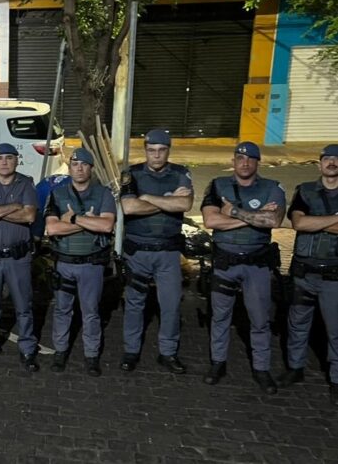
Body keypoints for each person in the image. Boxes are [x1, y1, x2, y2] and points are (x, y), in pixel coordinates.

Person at [201, 141, 285, 394]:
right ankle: (218, 363)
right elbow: (210, 220)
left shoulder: (272, 187)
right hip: (225, 262)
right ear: (233, 161)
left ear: (258, 162)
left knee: (260, 319)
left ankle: (261, 368)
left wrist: (234, 212)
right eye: (240, 158)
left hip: (256, 264)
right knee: (220, 317)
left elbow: (274, 219)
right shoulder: (218, 185)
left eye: (250, 159)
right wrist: (254, 220)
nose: (245, 163)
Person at [119, 129, 193, 373]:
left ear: (168, 150)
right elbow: (128, 207)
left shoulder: (180, 173)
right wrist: (167, 201)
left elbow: (185, 204)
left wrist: (148, 197)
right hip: (137, 251)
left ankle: (168, 353)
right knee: (134, 303)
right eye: (151, 150)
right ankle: (131, 351)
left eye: (161, 150)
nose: (156, 155)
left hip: (168, 252)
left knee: (170, 305)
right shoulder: (132, 174)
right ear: (145, 150)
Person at [44, 148, 115, 376]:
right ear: (70, 167)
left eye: (84, 164)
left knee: (91, 311)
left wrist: (73, 218)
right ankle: (60, 351)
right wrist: (87, 222)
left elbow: (106, 226)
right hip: (64, 262)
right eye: (75, 164)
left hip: (91, 263)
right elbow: (52, 228)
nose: (79, 168)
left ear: (91, 168)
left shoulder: (103, 194)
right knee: (62, 310)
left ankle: (91, 355)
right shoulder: (57, 194)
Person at [277, 144, 338, 405]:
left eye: (337, 159)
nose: (332, 163)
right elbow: (299, 223)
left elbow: (308, 222)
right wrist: (333, 219)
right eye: (327, 159)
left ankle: (336, 379)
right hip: (303, 272)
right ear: (319, 163)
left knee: (335, 330)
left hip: (333, 275)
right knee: (297, 324)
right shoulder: (305, 191)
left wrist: (316, 221)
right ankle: (295, 368)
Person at [0, 143, 40, 372]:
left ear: (17, 160)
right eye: (0, 158)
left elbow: (30, 216)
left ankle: (28, 350)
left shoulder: (26, 183)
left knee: (23, 306)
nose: (4, 162)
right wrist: (13, 207)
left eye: (9, 158)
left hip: (18, 258)